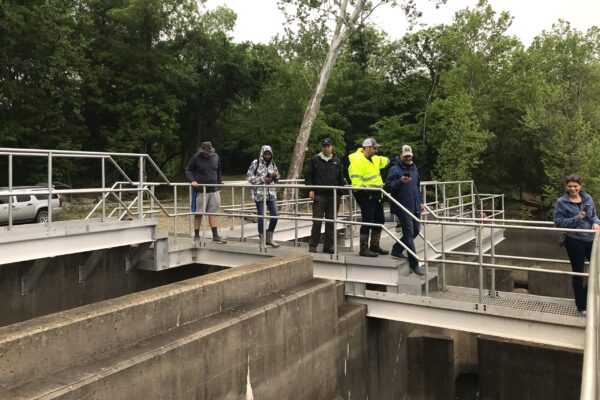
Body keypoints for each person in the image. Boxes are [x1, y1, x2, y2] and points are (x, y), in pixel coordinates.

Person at [554, 174, 600, 316]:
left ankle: (586, 297)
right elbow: (558, 222)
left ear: (580, 186)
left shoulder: (587, 198)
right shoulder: (561, 202)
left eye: (575, 186)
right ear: (566, 187)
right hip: (574, 240)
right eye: (570, 186)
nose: (573, 188)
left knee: (597, 269)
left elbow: (594, 215)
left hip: (591, 238)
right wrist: (576, 218)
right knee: (578, 273)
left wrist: (596, 223)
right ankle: (581, 306)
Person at [384, 145, 425, 275]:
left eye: (409, 156)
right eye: (405, 156)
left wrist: (421, 201)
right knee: (408, 234)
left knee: (416, 231)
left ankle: (396, 249)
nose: (408, 158)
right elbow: (388, 187)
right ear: (401, 155)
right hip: (402, 206)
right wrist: (400, 181)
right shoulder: (395, 169)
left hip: (415, 205)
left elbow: (417, 186)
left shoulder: (414, 168)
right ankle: (414, 264)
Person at [348, 138, 390, 257]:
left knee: (379, 220)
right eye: (374, 147)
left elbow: (386, 161)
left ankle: (374, 245)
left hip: (377, 195)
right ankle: (363, 248)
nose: (376, 150)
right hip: (367, 196)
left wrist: (396, 159)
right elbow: (356, 182)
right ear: (367, 147)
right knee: (367, 221)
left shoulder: (374, 159)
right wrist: (364, 195)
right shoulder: (357, 161)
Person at [305, 138, 346, 254]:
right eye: (324, 146)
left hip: (333, 196)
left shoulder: (337, 161)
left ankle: (328, 246)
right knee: (317, 221)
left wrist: (340, 193)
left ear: (332, 147)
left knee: (331, 222)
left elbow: (340, 178)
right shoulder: (315, 160)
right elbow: (309, 176)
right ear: (321, 147)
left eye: (328, 146)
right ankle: (313, 245)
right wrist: (311, 189)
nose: (326, 148)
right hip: (319, 195)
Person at [185, 141, 227, 243]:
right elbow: (188, 170)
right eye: (206, 152)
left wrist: (219, 184)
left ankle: (215, 235)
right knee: (199, 213)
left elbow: (218, 171)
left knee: (213, 213)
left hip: (214, 189)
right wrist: (192, 181)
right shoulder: (196, 158)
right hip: (200, 190)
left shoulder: (215, 157)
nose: (208, 154)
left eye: (209, 151)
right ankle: (196, 235)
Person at [246, 145, 280, 248]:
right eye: (266, 153)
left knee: (275, 215)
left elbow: (278, 176)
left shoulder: (273, 164)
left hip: (271, 194)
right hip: (259, 194)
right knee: (261, 216)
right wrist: (263, 179)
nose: (267, 156)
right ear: (262, 154)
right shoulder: (255, 163)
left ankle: (269, 237)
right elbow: (249, 177)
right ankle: (262, 239)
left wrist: (275, 176)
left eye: (269, 154)